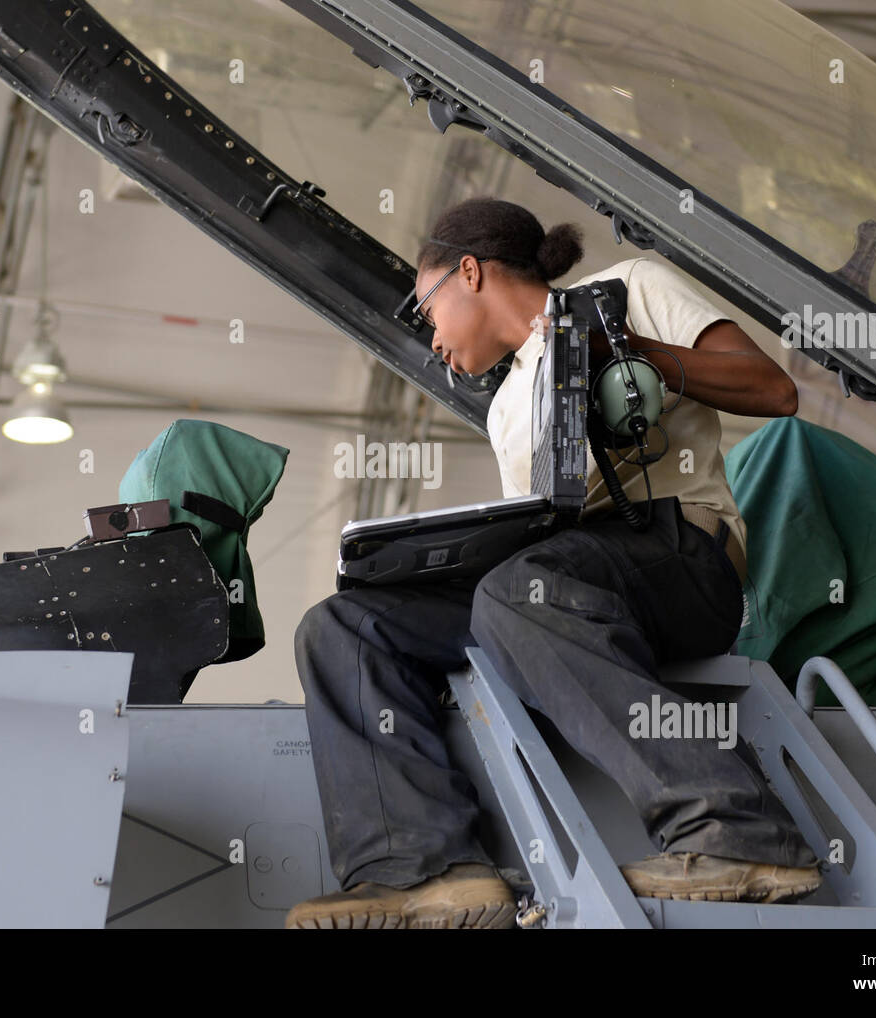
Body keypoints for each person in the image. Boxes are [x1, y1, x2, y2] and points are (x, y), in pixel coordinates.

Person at [285, 196, 820, 930]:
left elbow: (773, 388)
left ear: (468, 273)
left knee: (518, 590)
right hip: (560, 584)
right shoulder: (507, 404)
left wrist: (632, 355)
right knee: (343, 627)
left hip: (684, 559)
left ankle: (738, 827)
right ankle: (424, 871)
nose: (433, 340)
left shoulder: (629, 291)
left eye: (428, 309)